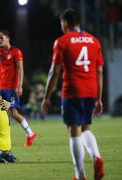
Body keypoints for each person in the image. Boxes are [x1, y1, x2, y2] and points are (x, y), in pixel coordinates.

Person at [41, 9, 105, 180]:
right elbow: (99, 72)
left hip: (72, 91)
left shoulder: (62, 42)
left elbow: (54, 72)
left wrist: (47, 97)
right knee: (85, 128)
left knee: (73, 130)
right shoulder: (94, 41)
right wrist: (99, 98)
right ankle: (97, 156)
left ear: (65, 23)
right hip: (91, 90)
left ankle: (80, 175)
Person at [0, 30, 36, 147]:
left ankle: (30, 133)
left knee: (14, 113)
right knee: (3, 114)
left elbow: (20, 69)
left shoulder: (16, 52)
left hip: (11, 88)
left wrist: (19, 86)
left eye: (1, 38)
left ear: (8, 39)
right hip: (1, 88)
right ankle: (4, 139)